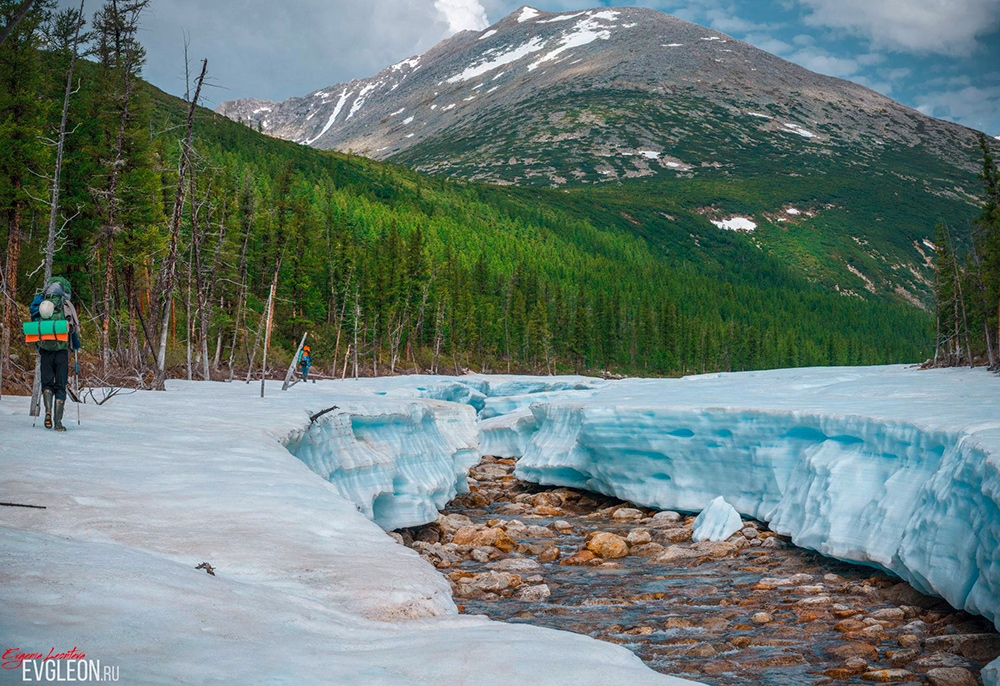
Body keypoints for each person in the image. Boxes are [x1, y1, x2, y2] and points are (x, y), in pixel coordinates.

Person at [29, 277, 82, 431]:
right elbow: (72, 328)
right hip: (61, 353)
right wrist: (76, 346)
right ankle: (58, 423)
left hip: (45, 351)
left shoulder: (41, 304)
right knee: (60, 385)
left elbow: (34, 320)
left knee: (47, 384)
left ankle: (47, 411)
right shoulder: (66, 306)